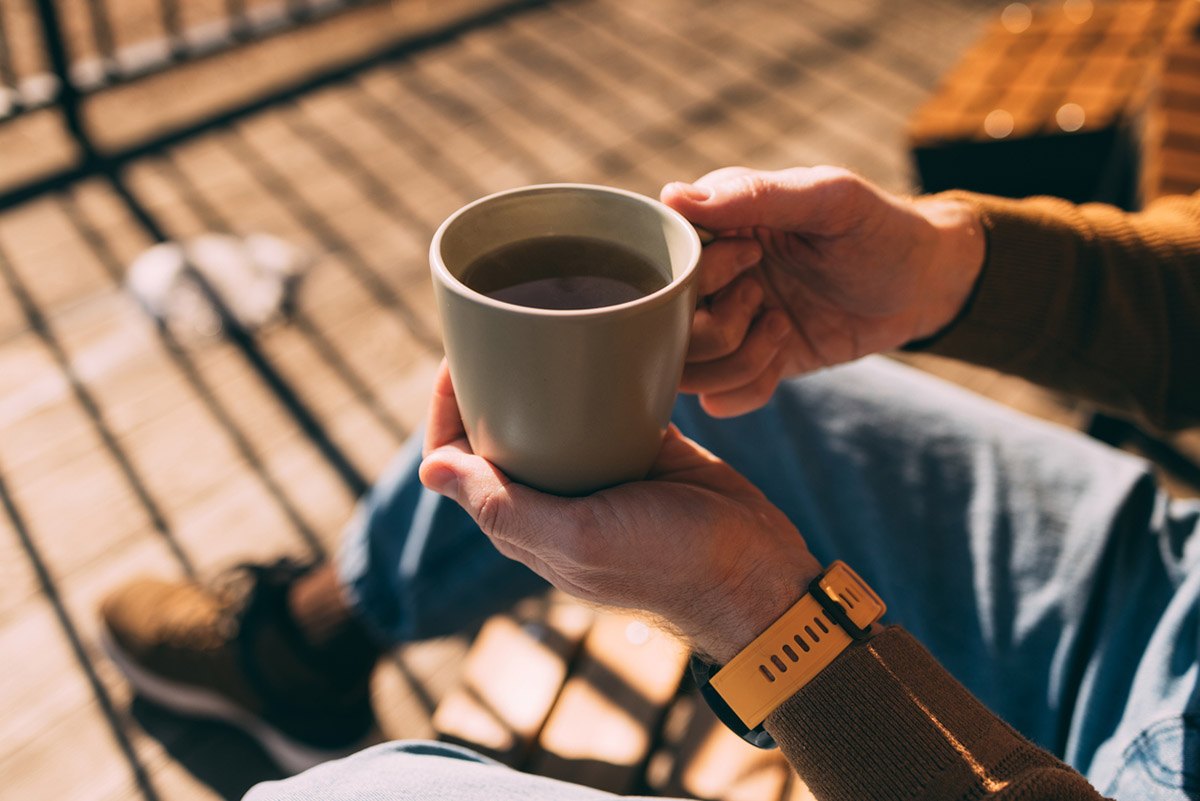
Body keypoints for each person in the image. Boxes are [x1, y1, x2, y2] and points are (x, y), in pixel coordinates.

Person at [100, 165, 1200, 800]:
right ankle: (304, 647)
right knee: (637, 377)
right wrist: (949, 268)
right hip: (1161, 582)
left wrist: (763, 619)